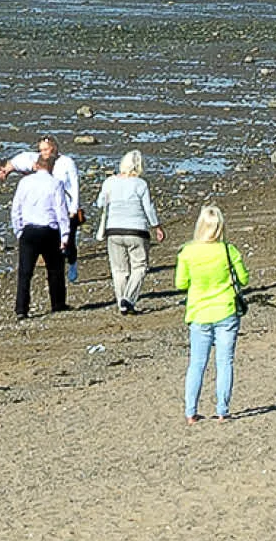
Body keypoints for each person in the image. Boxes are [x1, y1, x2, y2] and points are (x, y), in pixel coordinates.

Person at [175, 205, 249, 421]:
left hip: (199, 313)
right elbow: (244, 279)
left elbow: (180, 283)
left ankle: (190, 412)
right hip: (225, 311)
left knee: (197, 363)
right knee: (225, 362)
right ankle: (222, 411)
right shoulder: (228, 250)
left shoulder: (187, 252)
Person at [0, 139, 80, 317]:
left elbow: (15, 209)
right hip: (49, 230)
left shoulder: (24, 183)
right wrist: (65, 236)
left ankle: (21, 309)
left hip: (29, 231)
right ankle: (58, 304)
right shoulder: (55, 184)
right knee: (55, 269)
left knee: (25, 273)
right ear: (49, 168)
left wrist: (19, 230)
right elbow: (61, 212)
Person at [99, 151, 162, 313]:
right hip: (137, 230)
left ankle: (122, 302)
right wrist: (156, 226)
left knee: (119, 270)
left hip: (113, 230)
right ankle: (129, 298)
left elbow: (100, 203)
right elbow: (148, 208)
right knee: (139, 266)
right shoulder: (140, 184)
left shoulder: (109, 182)